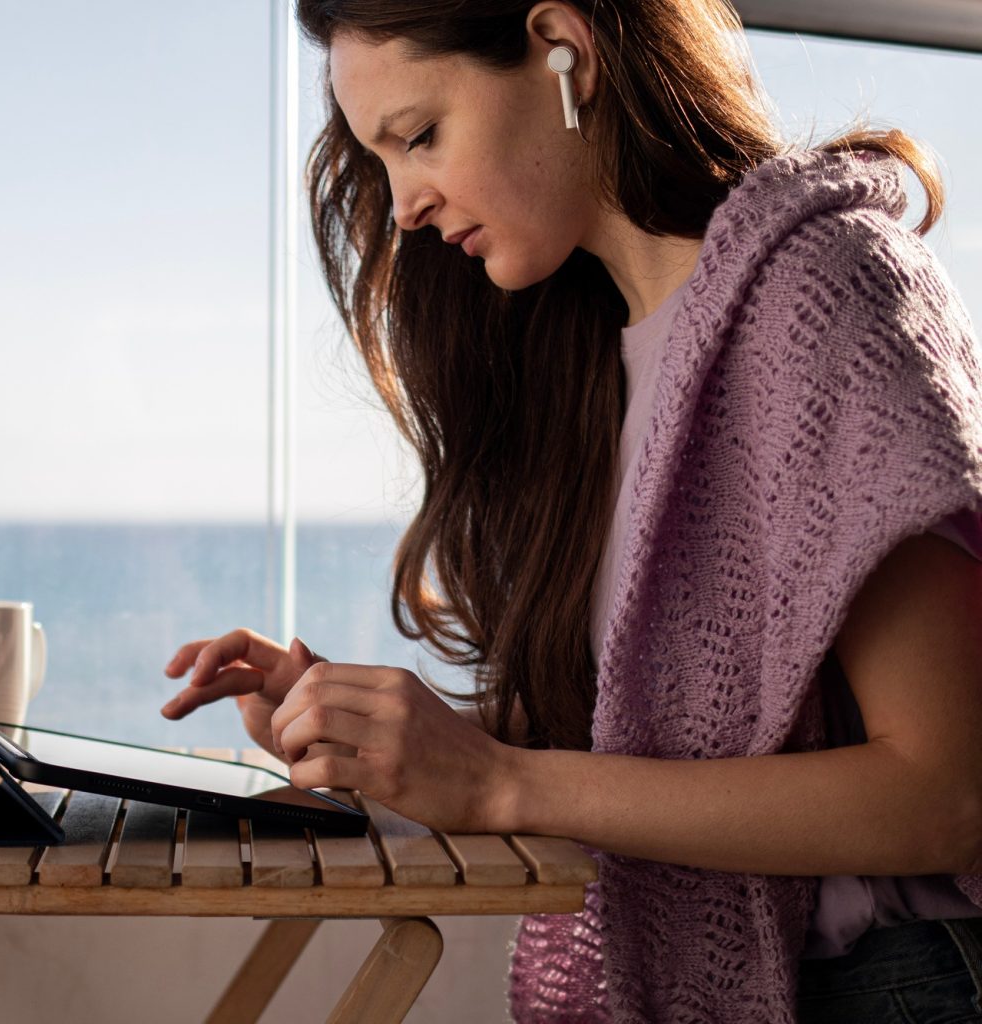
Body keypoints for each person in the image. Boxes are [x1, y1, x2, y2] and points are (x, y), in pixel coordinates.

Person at [158, 1, 982, 1021]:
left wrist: (500, 782)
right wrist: (384, 739)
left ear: (566, 50)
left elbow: (950, 793)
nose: (403, 201)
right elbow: (665, 730)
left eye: (418, 137)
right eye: (378, 162)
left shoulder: (828, 294)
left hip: (903, 987)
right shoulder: (596, 353)